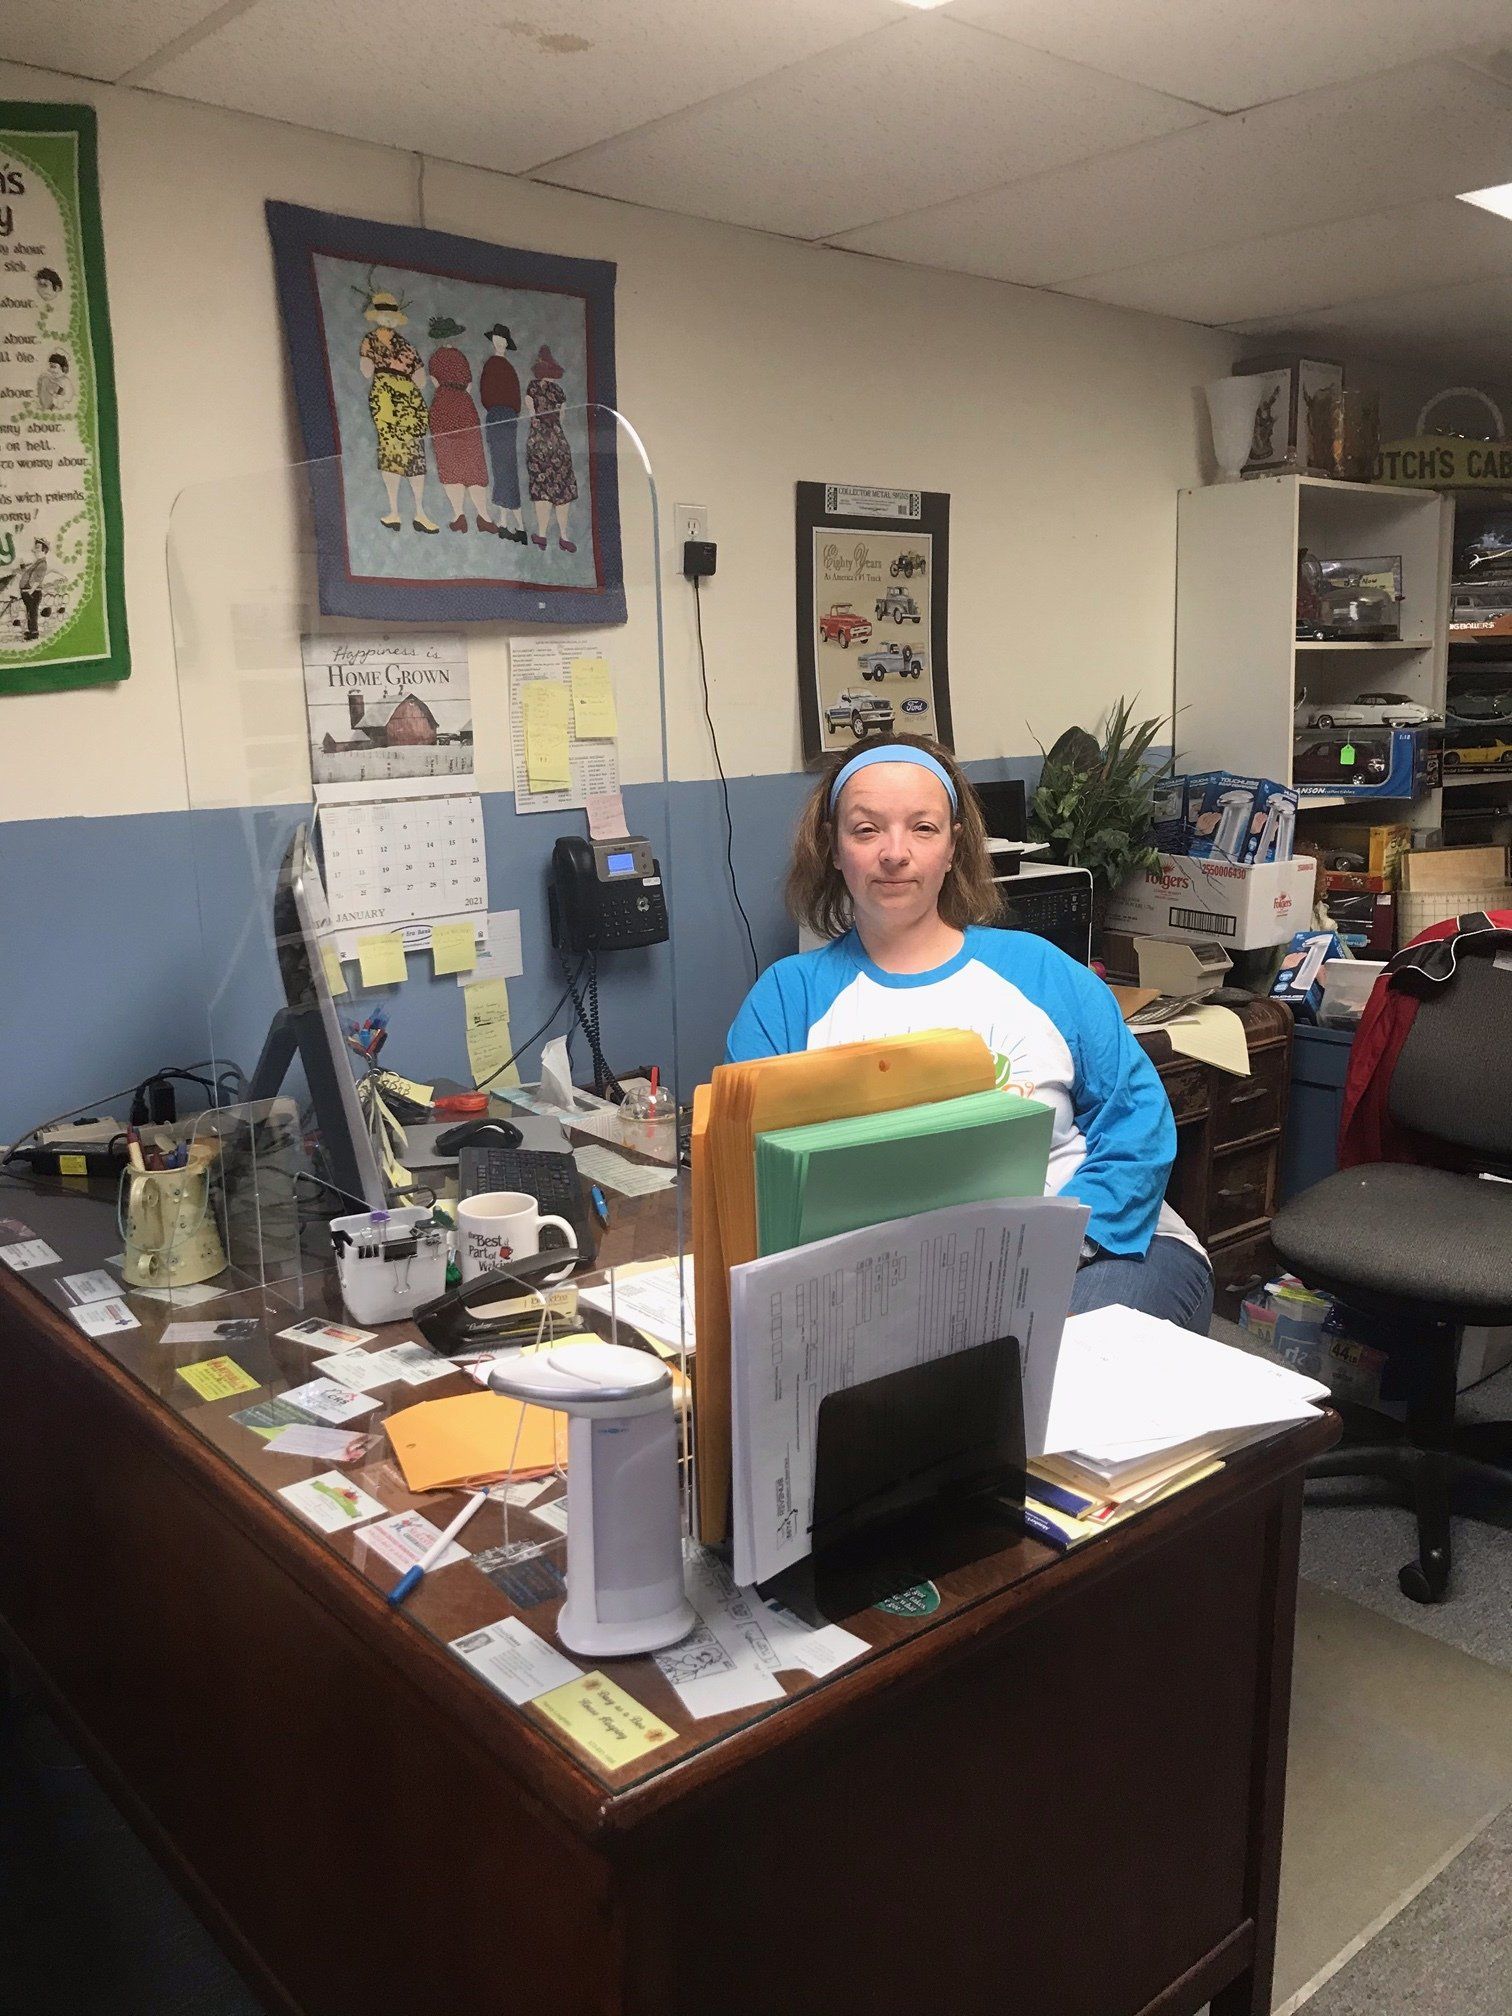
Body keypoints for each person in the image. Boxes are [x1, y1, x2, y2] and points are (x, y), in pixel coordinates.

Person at [725, 734, 1214, 1332]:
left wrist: (1055, 1252)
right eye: (866, 829)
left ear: (954, 847)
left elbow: (1137, 1128)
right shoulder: (785, 1001)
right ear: (832, 848)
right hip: (895, 1287)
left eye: (923, 828)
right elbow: (749, 1181)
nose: (895, 853)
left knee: (1047, 1370)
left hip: (1105, 1251)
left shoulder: (1040, 971)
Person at [356, 289, 438, 534]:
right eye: (384, 314)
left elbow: (420, 377)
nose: (388, 319)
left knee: (414, 453)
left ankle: (420, 511)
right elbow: (366, 370)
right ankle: (394, 510)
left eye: (391, 316)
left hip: (408, 400)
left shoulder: (404, 344)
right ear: (377, 316)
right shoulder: (369, 341)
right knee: (391, 450)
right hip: (386, 400)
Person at [425, 316, 495, 534]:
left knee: (450, 463)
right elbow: (469, 386)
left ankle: (459, 515)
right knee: (472, 462)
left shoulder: (435, 358)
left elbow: (435, 382)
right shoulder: (460, 357)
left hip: (443, 408)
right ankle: (483, 516)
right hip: (463, 408)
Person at [525, 344, 577, 553]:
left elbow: (530, 411)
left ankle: (542, 534)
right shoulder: (559, 391)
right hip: (558, 441)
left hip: (538, 440)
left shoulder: (532, 387)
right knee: (562, 490)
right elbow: (562, 416)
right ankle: (564, 535)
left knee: (542, 490)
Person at [479, 323, 526, 542]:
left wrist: (505, 411)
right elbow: (485, 393)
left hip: (504, 417)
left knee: (505, 465)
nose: (499, 342)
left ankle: (515, 523)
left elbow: (513, 398)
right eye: (496, 338)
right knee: (502, 466)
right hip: (499, 415)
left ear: (506, 343)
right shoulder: (492, 364)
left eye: (502, 339)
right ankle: (508, 522)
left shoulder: (505, 367)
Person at [18, 536, 49, 640]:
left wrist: (29, 592)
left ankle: (34, 633)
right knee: (30, 612)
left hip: (33, 592)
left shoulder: (42, 563)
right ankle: (31, 631)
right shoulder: (36, 563)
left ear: (44, 550)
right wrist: (22, 566)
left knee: (32, 612)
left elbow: (37, 580)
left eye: (37, 548)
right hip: (29, 592)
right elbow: (27, 575)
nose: (34, 550)